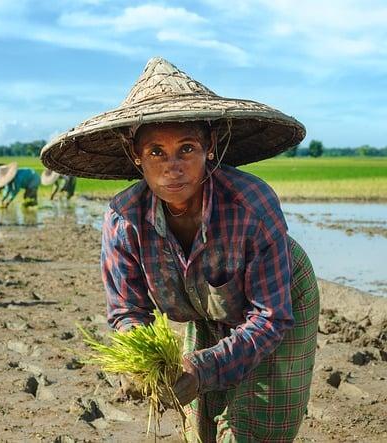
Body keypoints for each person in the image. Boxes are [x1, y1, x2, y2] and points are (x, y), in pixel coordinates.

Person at [41, 57, 319, 442]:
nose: (173, 167)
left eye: (186, 148)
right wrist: (140, 361)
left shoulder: (251, 205)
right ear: (135, 155)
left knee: (253, 429)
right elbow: (127, 310)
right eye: (156, 152)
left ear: (210, 148)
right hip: (202, 308)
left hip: (277, 300)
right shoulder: (124, 221)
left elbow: (269, 317)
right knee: (199, 426)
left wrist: (203, 368)